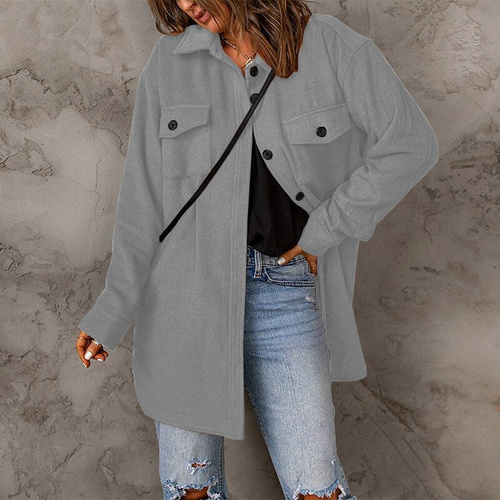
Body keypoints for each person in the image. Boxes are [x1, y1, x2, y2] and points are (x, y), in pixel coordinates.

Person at [76, 0, 439, 498]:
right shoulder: (169, 63)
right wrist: (112, 310)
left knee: (316, 489)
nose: (187, 4)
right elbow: (142, 202)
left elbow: (410, 143)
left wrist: (327, 228)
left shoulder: (330, 47)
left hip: (286, 294)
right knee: (191, 490)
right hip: (183, 299)